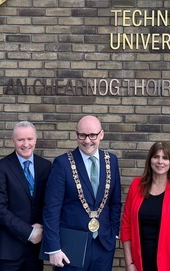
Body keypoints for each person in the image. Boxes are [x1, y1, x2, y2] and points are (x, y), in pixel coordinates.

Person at [42, 115, 122, 270]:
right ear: (76, 134)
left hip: (103, 244)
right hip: (70, 246)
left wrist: (113, 232)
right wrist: (54, 247)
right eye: (82, 135)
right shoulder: (62, 163)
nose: (87, 141)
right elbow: (52, 208)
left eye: (92, 135)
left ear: (101, 134)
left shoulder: (111, 161)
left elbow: (115, 202)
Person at [121, 142, 170, 271]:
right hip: (140, 263)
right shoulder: (136, 185)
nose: (160, 161)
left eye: (165, 158)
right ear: (150, 159)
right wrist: (129, 264)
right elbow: (126, 227)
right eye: (156, 156)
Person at [0, 121, 53, 271]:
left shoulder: (46, 166)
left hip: (35, 249)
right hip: (8, 249)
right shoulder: (0, 167)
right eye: (20, 140)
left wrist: (41, 227)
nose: (26, 144)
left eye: (29, 139)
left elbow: (50, 202)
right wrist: (29, 232)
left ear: (35, 140)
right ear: (13, 141)